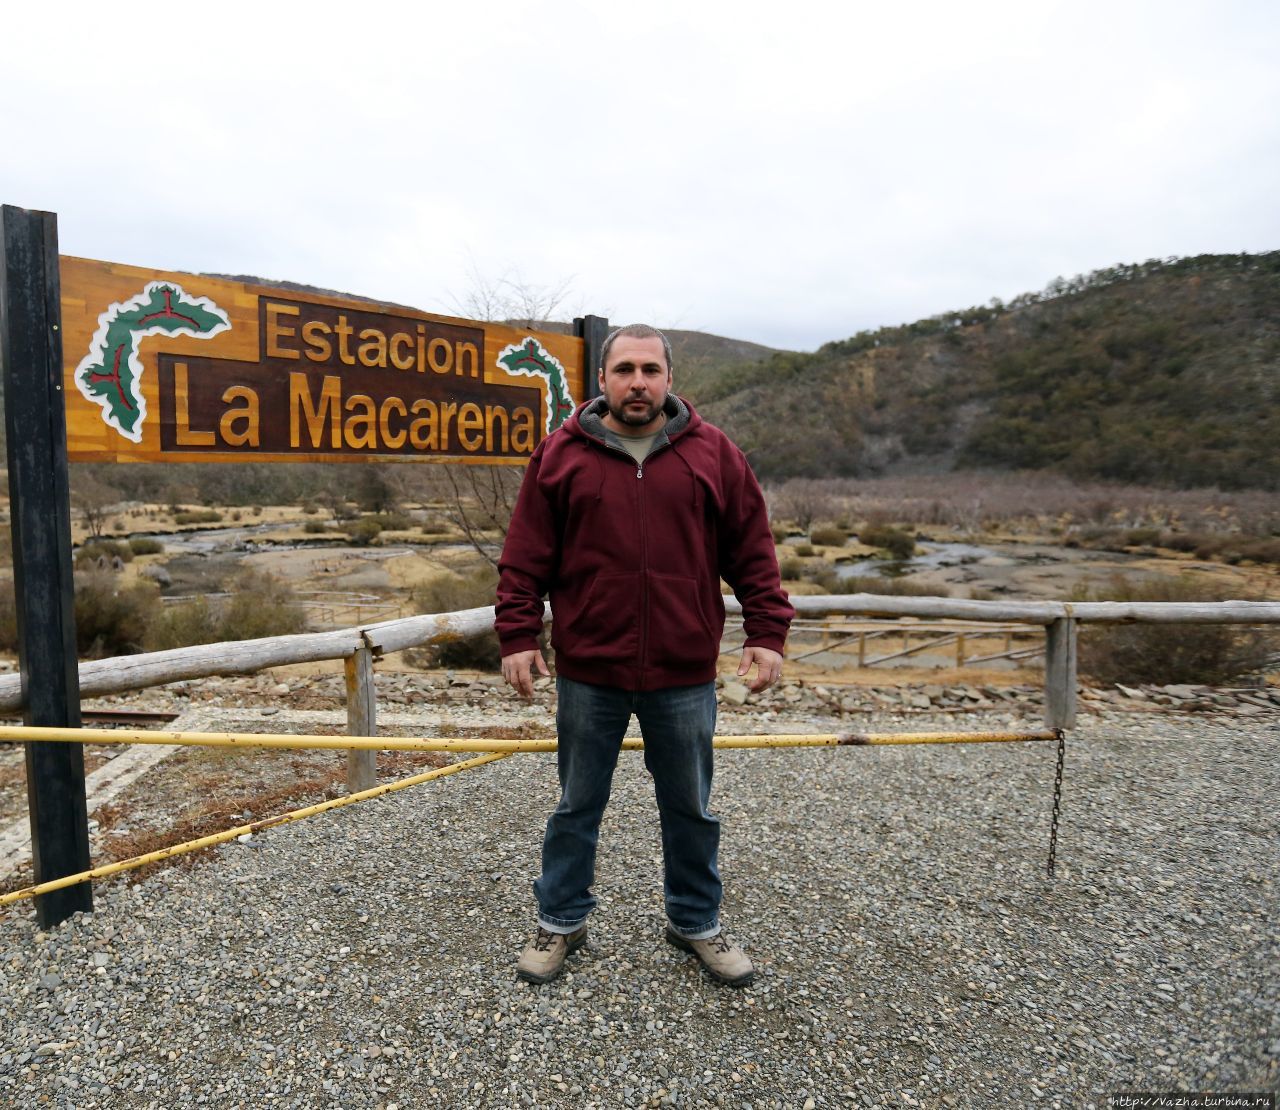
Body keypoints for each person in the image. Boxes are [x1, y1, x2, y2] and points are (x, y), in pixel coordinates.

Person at [495, 323, 793, 988]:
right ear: (601, 381)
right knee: (577, 805)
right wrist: (517, 635)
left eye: (650, 370)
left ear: (668, 378)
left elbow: (753, 552)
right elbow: (524, 558)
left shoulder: (714, 454)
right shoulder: (560, 455)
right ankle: (561, 919)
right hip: (589, 671)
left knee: (691, 808)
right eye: (624, 369)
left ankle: (696, 923)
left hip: (683, 673)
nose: (638, 382)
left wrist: (767, 634)